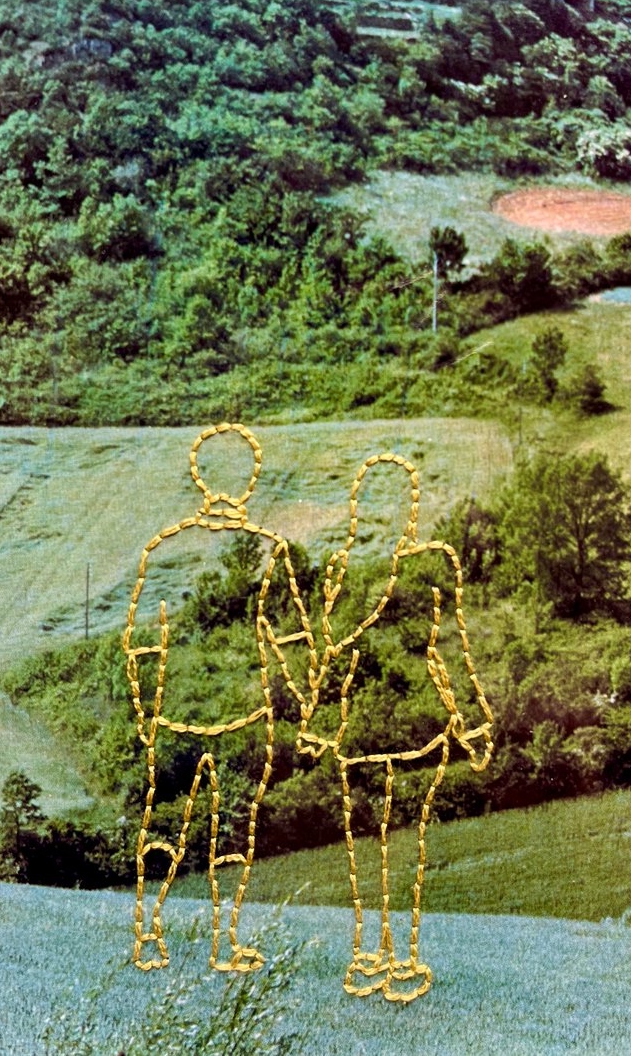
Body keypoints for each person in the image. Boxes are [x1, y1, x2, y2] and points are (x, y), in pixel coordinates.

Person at [293, 452, 494, 1002]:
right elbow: (451, 652)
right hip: (412, 731)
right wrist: (472, 727)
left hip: (375, 733)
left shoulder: (345, 572)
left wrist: (314, 728)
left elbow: (329, 664)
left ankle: (376, 957)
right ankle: (396, 956)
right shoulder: (423, 568)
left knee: (377, 844)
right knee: (402, 842)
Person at [122, 422, 311, 972]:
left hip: (177, 719)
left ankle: (151, 935)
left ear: (200, 478)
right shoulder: (270, 550)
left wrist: (143, 714)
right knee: (230, 832)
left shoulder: (165, 548)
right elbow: (292, 638)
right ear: (251, 479)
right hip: (244, 720)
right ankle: (223, 943)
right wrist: (306, 703)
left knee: (164, 826)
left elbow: (140, 646)